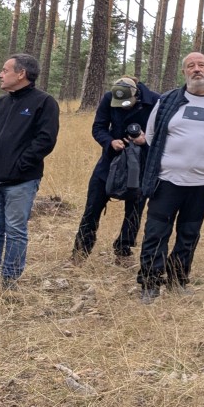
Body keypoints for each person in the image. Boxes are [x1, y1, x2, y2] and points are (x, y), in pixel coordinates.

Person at [137, 52, 204, 304]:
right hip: (166, 181)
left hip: (202, 185)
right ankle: (150, 283)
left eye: (201, 65)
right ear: (184, 72)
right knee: (156, 232)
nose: (196, 69)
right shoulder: (168, 100)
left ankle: (177, 280)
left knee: (189, 233)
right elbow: (151, 136)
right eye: (190, 66)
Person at [0, 54, 59, 288]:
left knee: (15, 230)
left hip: (20, 181)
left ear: (21, 74)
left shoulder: (44, 102)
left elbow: (45, 140)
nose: (0, 74)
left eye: (5, 70)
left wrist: (20, 166)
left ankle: (10, 281)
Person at [70, 76, 159, 265]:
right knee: (92, 206)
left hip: (140, 163)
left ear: (137, 95)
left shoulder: (155, 102)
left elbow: (162, 135)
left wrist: (145, 142)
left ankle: (123, 251)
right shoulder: (108, 98)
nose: (123, 107)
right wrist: (110, 142)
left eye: (127, 103)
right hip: (110, 161)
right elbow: (98, 127)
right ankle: (80, 251)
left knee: (134, 208)